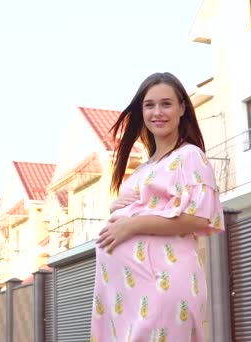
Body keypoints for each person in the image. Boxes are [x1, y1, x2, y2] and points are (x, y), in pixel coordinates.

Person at [90, 72, 225, 342]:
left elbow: (197, 218)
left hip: (162, 283)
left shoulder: (190, 156)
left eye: (166, 104)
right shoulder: (144, 168)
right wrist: (117, 210)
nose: (157, 112)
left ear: (182, 108)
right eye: (149, 105)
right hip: (125, 293)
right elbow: (148, 207)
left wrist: (133, 224)